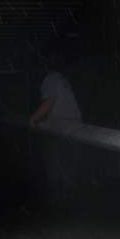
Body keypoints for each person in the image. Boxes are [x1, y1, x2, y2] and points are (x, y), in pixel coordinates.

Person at [29, 70, 82, 199]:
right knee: (68, 163)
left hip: (65, 128)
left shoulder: (49, 80)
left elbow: (49, 103)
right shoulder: (60, 78)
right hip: (74, 126)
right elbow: (56, 109)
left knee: (58, 161)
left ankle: (60, 198)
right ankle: (68, 197)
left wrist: (33, 119)